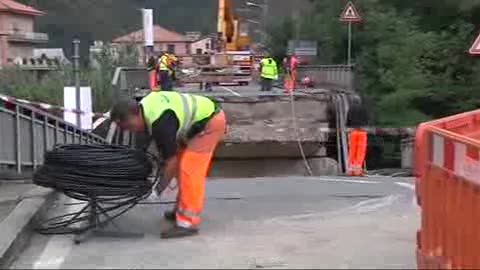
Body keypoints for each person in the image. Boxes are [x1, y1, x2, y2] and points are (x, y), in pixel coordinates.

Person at [110, 91, 227, 238]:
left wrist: (158, 190)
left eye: (129, 126)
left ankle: (187, 223)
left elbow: (171, 161)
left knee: (189, 170)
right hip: (195, 124)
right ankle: (181, 210)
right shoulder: (146, 109)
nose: (130, 130)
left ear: (134, 114)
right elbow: (157, 151)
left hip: (210, 122)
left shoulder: (161, 122)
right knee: (181, 166)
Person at [346, 97, 368, 176]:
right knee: (360, 151)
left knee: (352, 150)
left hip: (353, 132)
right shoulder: (364, 109)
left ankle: (350, 170)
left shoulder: (350, 109)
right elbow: (367, 120)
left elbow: (347, 121)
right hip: (362, 132)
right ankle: (357, 170)